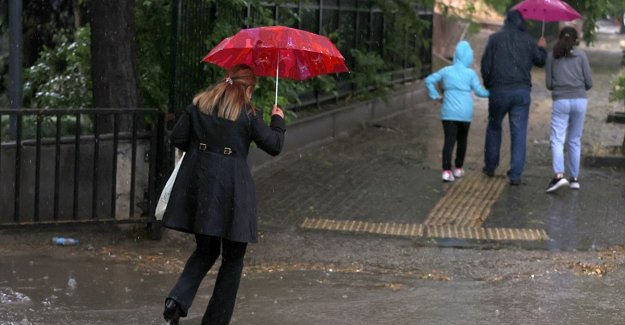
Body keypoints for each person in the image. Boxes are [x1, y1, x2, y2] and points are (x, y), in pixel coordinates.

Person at [161, 64, 286, 324]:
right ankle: (215, 321)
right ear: (248, 89)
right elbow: (274, 145)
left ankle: (176, 300)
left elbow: (177, 138)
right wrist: (278, 120)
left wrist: (202, 151)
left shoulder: (200, 104)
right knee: (233, 258)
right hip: (233, 192)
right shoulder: (249, 114)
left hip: (202, 185)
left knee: (205, 250)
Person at [480, 10, 547, 185]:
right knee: (519, 133)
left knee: (494, 127)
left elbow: (486, 65)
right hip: (521, 93)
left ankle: (490, 166)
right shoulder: (529, 40)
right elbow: (540, 61)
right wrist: (541, 47)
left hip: (499, 91)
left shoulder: (494, 39)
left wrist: (489, 85)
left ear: (506, 21)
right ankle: (515, 175)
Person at [425, 40, 489, 182]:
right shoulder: (470, 74)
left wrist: (435, 95)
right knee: (462, 141)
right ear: (467, 56)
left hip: (448, 113)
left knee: (449, 141)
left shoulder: (446, 71)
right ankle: (459, 169)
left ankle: (446, 171)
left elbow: (429, 80)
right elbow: (479, 92)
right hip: (465, 114)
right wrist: (492, 92)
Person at [544, 27, 592, 193]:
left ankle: (559, 175)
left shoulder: (552, 56)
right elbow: (589, 82)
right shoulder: (581, 56)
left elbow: (549, 84)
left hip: (561, 101)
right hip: (580, 100)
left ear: (559, 38)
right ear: (576, 40)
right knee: (574, 139)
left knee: (557, 139)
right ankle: (574, 179)